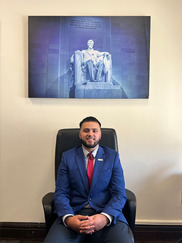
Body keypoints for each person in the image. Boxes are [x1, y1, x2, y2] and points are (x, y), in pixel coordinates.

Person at [44, 116, 133, 243]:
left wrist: (105, 217)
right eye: (86, 131)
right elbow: (61, 193)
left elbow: (119, 194)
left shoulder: (112, 157)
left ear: (100, 135)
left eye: (94, 131)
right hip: (74, 213)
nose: (90, 134)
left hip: (105, 213)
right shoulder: (67, 157)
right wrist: (69, 218)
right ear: (80, 135)